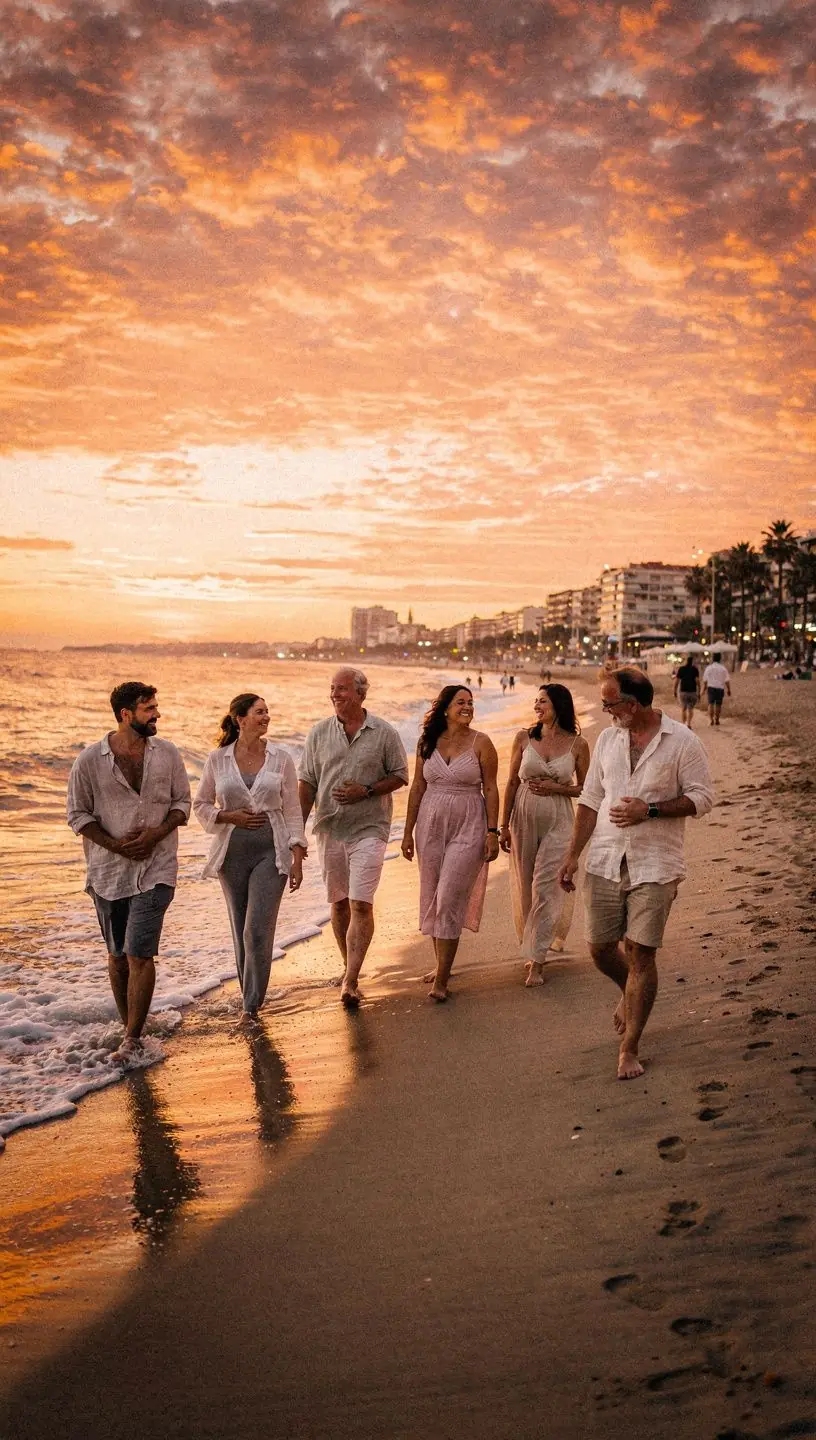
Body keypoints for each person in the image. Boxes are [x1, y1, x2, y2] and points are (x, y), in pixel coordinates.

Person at [557, 668, 713, 1081]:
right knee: (599, 948)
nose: (605, 710)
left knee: (642, 953)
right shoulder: (608, 739)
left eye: (611, 703)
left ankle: (629, 1049)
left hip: (656, 863)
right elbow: (590, 800)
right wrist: (572, 855)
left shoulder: (682, 742)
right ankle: (631, 993)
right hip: (606, 857)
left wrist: (651, 811)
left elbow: (703, 798)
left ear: (635, 703)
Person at [66, 682, 191, 1062]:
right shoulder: (89, 761)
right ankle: (129, 1028)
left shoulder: (168, 754)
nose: (157, 714)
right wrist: (117, 846)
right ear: (125, 715)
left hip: (158, 868)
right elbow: (78, 815)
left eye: (156, 706)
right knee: (118, 955)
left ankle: (133, 1039)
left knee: (139, 952)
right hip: (108, 873)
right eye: (149, 708)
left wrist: (155, 835)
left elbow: (182, 804)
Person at [298, 668, 408, 1007]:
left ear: (360, 694)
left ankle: (350, 980)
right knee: (340, 902)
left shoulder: (384, 732)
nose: (335, 694)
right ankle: (351, 966)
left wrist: (367, 791)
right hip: (329, 828)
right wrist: (296, 833)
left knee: (361, 901)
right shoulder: (318, 733)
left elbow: (400, 775)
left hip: (370, 827)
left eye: (342, 689)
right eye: (332, 688)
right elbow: (307, 784)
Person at [194, 693, 307, 1020]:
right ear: (240, 719)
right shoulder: (218, 759)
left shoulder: (281, 759)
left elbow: (293, 811)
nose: (266, 717)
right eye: (259, 712)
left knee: (256, 930)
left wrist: (297, 855)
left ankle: (251, 1005)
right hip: (231, 855)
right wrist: (231, 817)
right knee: (239, 928)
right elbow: (200, 804)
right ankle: (250, 999)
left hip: (271, 852)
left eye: (268, 711)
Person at [401, 685, 499, 1001]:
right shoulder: (427, 742)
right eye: (461, 702)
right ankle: (442, 964)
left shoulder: (482, 743)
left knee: (449, 897)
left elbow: (492, 789)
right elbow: (417, 787)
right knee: (432, 894)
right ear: (445, 708)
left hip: (469, 823)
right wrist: (406, 831)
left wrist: (493, 832)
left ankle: (441, 981)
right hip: (429, 824)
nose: (468, 707)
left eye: (471, 703)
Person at [500, 685, 589, 985]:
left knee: (546, 884)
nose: (537, 705)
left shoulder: (578, 744)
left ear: (559, 705)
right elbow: (511, 782)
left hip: (560, 818)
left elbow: (586, 789)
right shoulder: (524, 738)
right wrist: (501, 826)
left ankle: (536, 962)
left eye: (543, 701)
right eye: (536, 701)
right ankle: (532, 946)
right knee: (526, 884)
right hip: (522, 816)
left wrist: (558, 788)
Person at [702, 652, 732, 725]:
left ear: (713, 659)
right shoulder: (723, 668)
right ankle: (717, 720)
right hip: (720, 688)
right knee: (718, 704)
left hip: (711, 688)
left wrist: (704, 689)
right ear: (720, 659)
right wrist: (728, 689)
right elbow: (727, 680)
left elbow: (705, 680)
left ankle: (711, 720)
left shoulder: (709, 668)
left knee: (711, 704)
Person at [672, 656, 701, 728]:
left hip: (683, 692)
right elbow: (697, 681)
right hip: (692, 692)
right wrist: (699, 691)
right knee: (690, 708)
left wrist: (674, 691)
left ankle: (684, 723)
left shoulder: (681, 669)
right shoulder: (695, 669)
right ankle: (689, 723)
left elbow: (677, 681)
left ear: (686, 661)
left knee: (684, 708)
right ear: (692, 662)